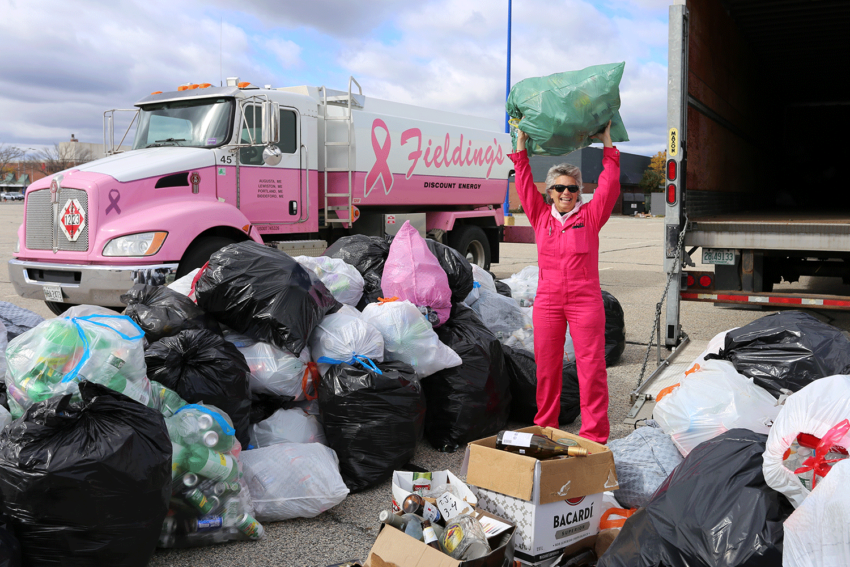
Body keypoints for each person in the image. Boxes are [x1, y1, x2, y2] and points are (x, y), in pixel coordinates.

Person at [509, 121, 620, 443]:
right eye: (559, 188)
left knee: (591, 369)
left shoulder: (591, 216)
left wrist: (607, 143)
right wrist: (520, 141)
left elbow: (610, 186)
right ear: (550, 192)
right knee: (546, 368)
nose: (566, 193)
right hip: (548, 301)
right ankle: (546, 428)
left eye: (572, 188)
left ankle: (595, 434)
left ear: (579, 192)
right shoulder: (540, 216)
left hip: (585, 300)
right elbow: (524, 182)